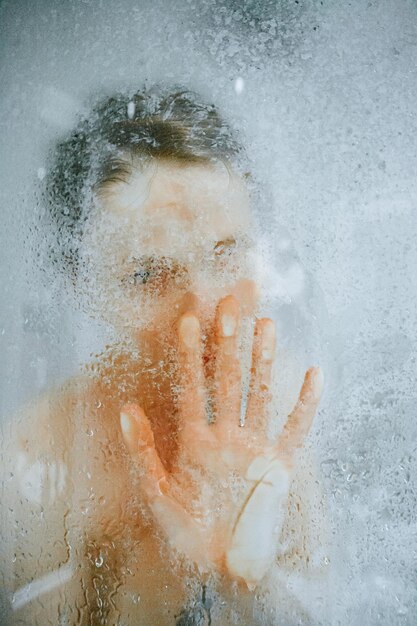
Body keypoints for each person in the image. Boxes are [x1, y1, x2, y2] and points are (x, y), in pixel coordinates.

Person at [1, 87, 328, 625]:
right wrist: (164, 569)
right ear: (86, 289)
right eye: (149, 275)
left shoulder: (287, 403)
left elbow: (325, 602)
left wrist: (243, 577)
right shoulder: (34, 456)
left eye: (226, 254)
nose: (201, 311)